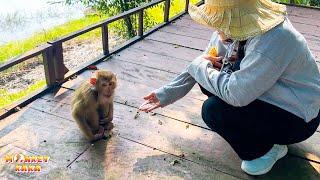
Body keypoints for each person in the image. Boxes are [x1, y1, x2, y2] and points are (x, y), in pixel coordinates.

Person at [139, 0, 320, 176]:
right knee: (209, 78)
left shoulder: (275, 38)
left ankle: (267, 150)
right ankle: (256, 133)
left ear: (236, 19)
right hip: (271, 94)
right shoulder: (233, 28)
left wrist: (200, 67)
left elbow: (234, 94)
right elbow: (205, 60)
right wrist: (167, 93)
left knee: (213, 110)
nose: (216, 29)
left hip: (298, 118)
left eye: (220, 22)